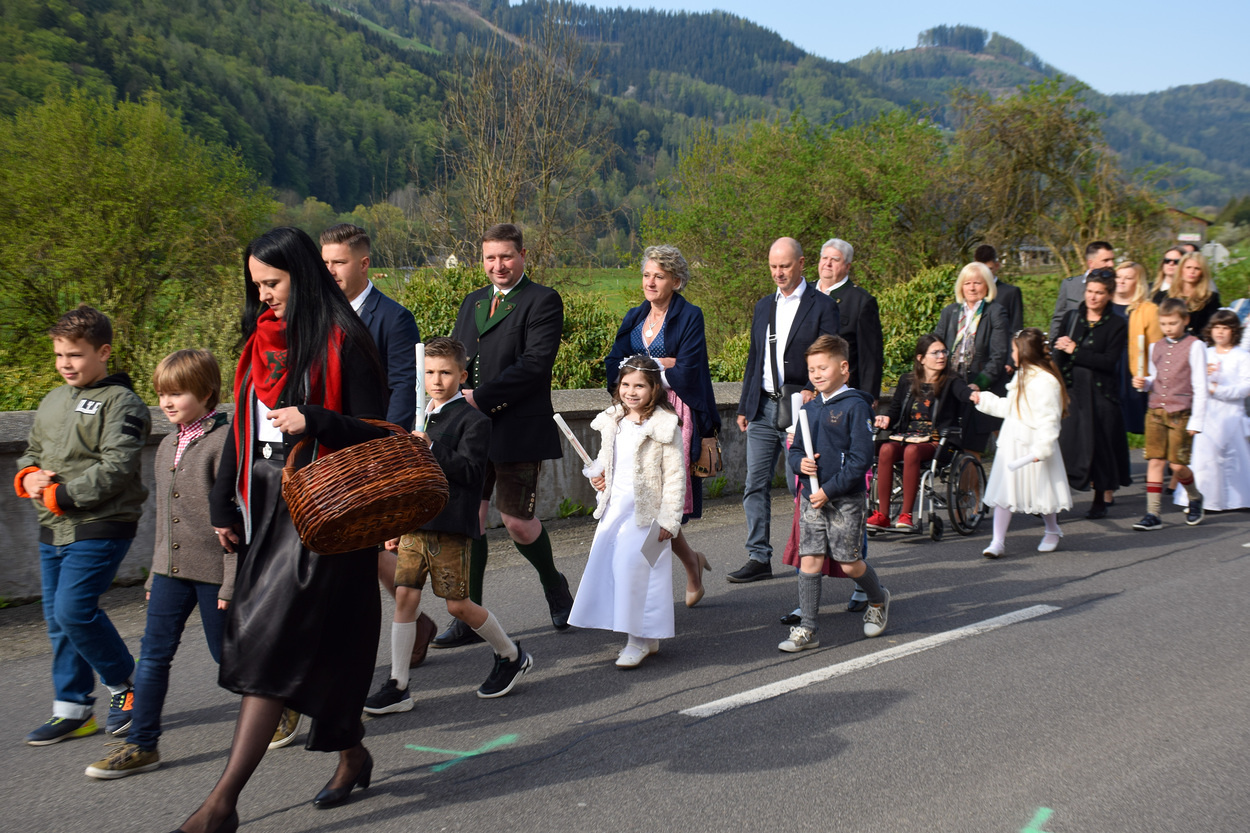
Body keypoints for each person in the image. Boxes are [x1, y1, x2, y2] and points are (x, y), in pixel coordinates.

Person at [176, 227, 391, 833]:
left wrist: (316, 418)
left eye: (272, 282)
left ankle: (221, 804)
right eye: (256, 285)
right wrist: (223, 500)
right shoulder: (259, 343)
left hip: (327, 514)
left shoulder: (347, 338)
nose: (263, 295)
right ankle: (352, 753)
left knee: (272, 644)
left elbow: (378, 431)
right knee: (314, 646)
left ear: (302, 275)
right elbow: (240, 429)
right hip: (268, 509)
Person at [85, 349, 233, 778]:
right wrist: (154, 574)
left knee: (228, 658)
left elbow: (238, 521)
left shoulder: (226, 442)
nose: (166, 402)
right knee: (152, 656)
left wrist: (231, 582)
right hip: (170, 572)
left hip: (215, 573)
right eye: (162, 394)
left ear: (206, 392)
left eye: (177, 393)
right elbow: (165, 521)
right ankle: (142, 744)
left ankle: (281, 702)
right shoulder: (167, 443)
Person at [311, 223, 432, 747]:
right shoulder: (319, 314)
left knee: (375, 549)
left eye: (338, 262)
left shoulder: (392, 317)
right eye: (325, 262)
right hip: (329, 451)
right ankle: (415, 623)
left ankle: (404, 630)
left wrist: (386, 446)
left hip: (372, 450)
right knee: (358, 551)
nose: (330, 271)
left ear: (363, 264)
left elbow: (404, 384)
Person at [364, 338, 532, 713]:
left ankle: (510, 654)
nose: (436, 380)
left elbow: (472, 473)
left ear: (462, 375)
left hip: (452, 525)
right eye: (429, 373)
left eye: (445, 372)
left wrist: (432, 448)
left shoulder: (475, 421)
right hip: (415, 525)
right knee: (405, 597)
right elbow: (408, 478)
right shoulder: (418, 419)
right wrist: (396, 523)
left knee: (457, 605)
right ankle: (399, 684)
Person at [16, 305, 150, 746]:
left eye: (75, 354)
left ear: (103, 352)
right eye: (59, 355)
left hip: (101, 523)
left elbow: (116, 467)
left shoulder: (123, 403)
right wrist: (28, 476)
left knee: (73, 611)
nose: (65, 364)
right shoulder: (54, 400)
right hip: (52, 527)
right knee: (58, 621)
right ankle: (73, 710)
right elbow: (31, 451)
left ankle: (127, 684)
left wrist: (61, 495)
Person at [439, 223, 573, 648]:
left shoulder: (543, 300)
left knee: (517, 523)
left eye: (506, 256)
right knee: (470, 520)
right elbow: (457, 358)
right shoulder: (473, 301)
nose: (498, 265)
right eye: (490, 258)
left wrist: (480, 398)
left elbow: (535, 364)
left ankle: (555, 585)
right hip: (469, 430)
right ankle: (470, 616)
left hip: (517, 426)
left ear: (523, 255)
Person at [605, 245, 719, 607]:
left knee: (662, 501)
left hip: (675, 414)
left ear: (676, 281)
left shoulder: (690, 316)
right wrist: (659, 364)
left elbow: (688, 371)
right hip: (636, 413)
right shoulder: (634, 316)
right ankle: (689, 564)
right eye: (646, 275)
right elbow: (614, 364)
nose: (650, 282)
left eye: (659, 276)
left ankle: (646, 595)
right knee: (645, 500)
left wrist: (643, 368)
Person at [729, 237, 839, 583]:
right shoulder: (763, 306)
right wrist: (746, 405)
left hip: (801, 409)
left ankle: (811, 553)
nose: (778, 273)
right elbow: (755, 359)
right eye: (773, 266)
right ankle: (758, 557)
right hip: (762, 407)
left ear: (801, 264)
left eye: (785, 266)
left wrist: (810, 388)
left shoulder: (823, 306)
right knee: (754, 485)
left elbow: (830, 355)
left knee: (801, 487)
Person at [570, 354, 686, 668]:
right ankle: (645, 637)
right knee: (617, 570)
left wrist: (670, 519)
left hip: (646, 513)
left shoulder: (664, 426)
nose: (631, 392)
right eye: (625, 384)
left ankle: (637, 640)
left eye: (639, 386)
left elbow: (675, 476)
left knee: (636, 572)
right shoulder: (613, 421)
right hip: (615, 509)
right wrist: (599, 477)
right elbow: (608, 460)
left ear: (654, 389)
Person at [782, 335, 887, 651]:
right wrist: (799, 464)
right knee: (810, 560)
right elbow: (796, 450)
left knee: (848, 562)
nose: (816, 374)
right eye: (811, 369)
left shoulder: (856, 406)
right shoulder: (809, 408)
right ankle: (808, 629)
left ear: (843, 368)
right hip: (811, 497)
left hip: (844, 499)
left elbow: (860, 460)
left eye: (823, 367)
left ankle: (878, 599)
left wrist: (829, 490)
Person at [970, 329, 1072, 558]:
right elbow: (1011, 407)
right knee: (1005, 490)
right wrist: (984, 400)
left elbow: (1049, 419)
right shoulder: (1021, 375)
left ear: (1025, 351)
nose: (1012, 354)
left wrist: (1042, 449)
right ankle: (997, 542)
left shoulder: (1047, 381)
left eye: (1014, 350)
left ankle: (1052, 529)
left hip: (1034, 443)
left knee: (1042, 489)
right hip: (1012, 441)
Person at [867, 334, 974, 531]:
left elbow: (963, 392)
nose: (941, 356)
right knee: (886, 450)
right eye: (935, 352)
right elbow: (894, 411)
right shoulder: (907, 381)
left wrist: (973, 394)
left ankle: (906, 515)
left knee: (912, 452)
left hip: (938, 442)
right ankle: (882, 515)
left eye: (944, 351)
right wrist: (886, 419)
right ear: (921, 358)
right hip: (907, 437)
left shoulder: (952, 380)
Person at [1054, 270, 1132, 519]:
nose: (1093, 297)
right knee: (1065, 444)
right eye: (1090, 291)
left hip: (1101, 393)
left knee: (1099, 446)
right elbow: (1058, 352)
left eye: (1099, 293)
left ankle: (1100, 499)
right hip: (1073, 390)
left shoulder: (1117, 324)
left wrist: (1075, 350)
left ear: (1109, 295)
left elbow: (1109, 361)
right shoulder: (1072, 317)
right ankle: (1054, 499)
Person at [1130, 298, 1209, 530]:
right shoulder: (1156, 347)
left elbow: (1201, 386)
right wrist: (1144, 383)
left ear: (1185, 320)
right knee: (1155, 460)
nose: (1168, 328)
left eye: (1173, 323)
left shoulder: (1195, 346)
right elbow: (1155, 379)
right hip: (1155, 411)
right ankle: (1153, 513)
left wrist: (1197, 420)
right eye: (1164, 324)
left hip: (1180, 413)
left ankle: (1194, 497)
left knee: (1177, 465)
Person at [1171, 310, 1250, 512]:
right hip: (1208, 413)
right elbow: (1188, 380)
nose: (1220, 332)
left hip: (1232, 413)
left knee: (1235, 457)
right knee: (1206, 458)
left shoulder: (1242, 356)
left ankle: (1238, 500)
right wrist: (1202, 376)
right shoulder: (1205, 353)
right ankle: (1205, 499)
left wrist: (1218, 390)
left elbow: (1245, 387)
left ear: (1234, 331)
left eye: (1225, 328)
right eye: (1217, 328)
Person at [934, 262, 1009, 455]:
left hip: (982, 385)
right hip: (953, 383)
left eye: (978, 283)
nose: (972, 288)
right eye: (967, 283)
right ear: (961, 286)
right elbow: (936, 344)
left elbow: (999, 354)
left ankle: (977, 478)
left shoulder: (995, 312)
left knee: (971, 447)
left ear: (987, 286)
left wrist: (979, 383)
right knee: (949, 445)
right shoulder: (950, 312)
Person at [814, 238, 884, 402]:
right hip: (802, 391)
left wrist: (869, 397)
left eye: (835, 260)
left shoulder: (861, 301)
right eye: (824, 258)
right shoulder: (804, 293)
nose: (828, 264)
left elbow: (870, 356)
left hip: (843, 392)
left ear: (847, 266)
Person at [1111, 261, 1163, 435]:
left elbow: (1156, 347)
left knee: (1132, 417)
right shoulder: (1104, 305)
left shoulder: (1149, 309)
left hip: (1132, 364)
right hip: (1107, 362)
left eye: (1128, 278)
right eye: (1118, 276)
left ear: (1138, 282)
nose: (1121, 281)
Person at [1049, 241, 1116, 343]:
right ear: (1091, 263)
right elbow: (1058, 319)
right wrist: (1053, 344)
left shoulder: (1117, 286)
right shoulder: (1069, 285)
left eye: (1112, 260)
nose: (1111, 264)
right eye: (1106, 260)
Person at [1167, 252, 1221, 337]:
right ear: (1181, 270)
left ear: (1202, 272)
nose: (1192, 271)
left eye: (1197, 268)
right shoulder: (1170, 295)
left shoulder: (1210, 298)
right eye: (1188, 267)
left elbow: (1212, 327)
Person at [975, 244, 1025, 333]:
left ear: (997, 266)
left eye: (989, 269)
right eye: (981, 270)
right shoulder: (970, 292)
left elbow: (1016, 328)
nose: (985, 274)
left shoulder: (1010, 293)